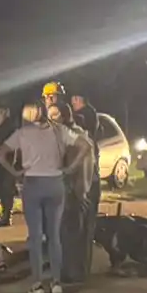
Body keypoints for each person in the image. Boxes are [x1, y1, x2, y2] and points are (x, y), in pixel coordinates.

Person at [0, 102, 70, 293]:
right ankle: (56, 282)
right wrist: (70, 168)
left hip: (33, 182)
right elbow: (84, 146)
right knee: (54, 236)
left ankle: (37, 284)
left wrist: (14, 171)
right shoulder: (59, 131)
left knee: (36, 236)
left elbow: (0, 153)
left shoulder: (22, 133)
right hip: (56, 182)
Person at [50, 103, 97, 283]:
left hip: (70, 192)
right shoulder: (83, 134)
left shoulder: (68, 137)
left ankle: (69, 273)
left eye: (53, 116)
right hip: (82, 191)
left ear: (62, 116)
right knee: (79, 235)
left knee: (67, 235)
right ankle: (79, 271)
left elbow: (67, 165)